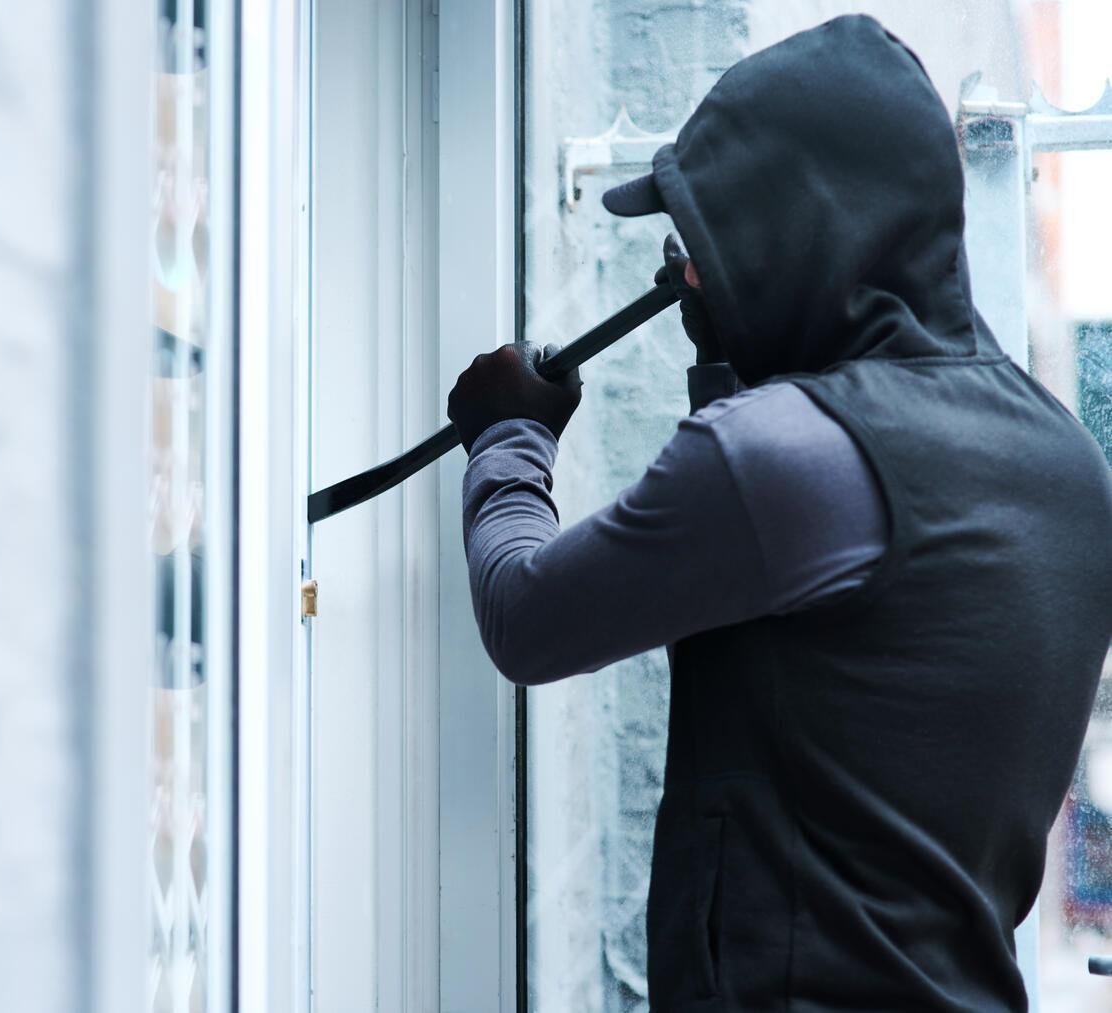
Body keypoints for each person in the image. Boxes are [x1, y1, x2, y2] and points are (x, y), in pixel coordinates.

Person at [446, 15, 1112, 1011]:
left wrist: (507, 437)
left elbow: (527, 616)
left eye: (711, 240)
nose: (688, 271)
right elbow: (840, 648)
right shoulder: (1065, 461)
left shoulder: (785, 459)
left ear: (795, 232)